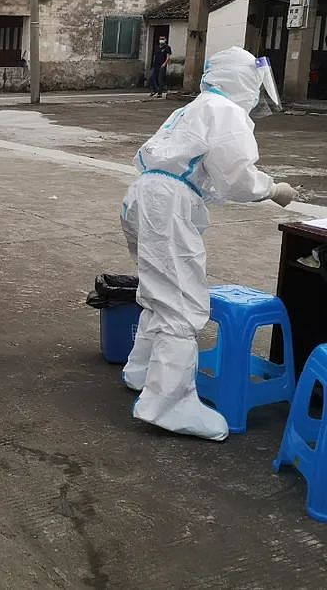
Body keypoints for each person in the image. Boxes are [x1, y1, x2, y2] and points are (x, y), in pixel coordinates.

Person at [120, 47, 296, 440]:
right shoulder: (226, 110)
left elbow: (204, 172)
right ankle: (168, 404)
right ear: (244, 80)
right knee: (182, 303)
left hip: (143, 196)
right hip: (167, 204)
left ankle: (143, 371)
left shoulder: (194, 106)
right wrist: (271, 188)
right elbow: (235, 175)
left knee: (157, 292)